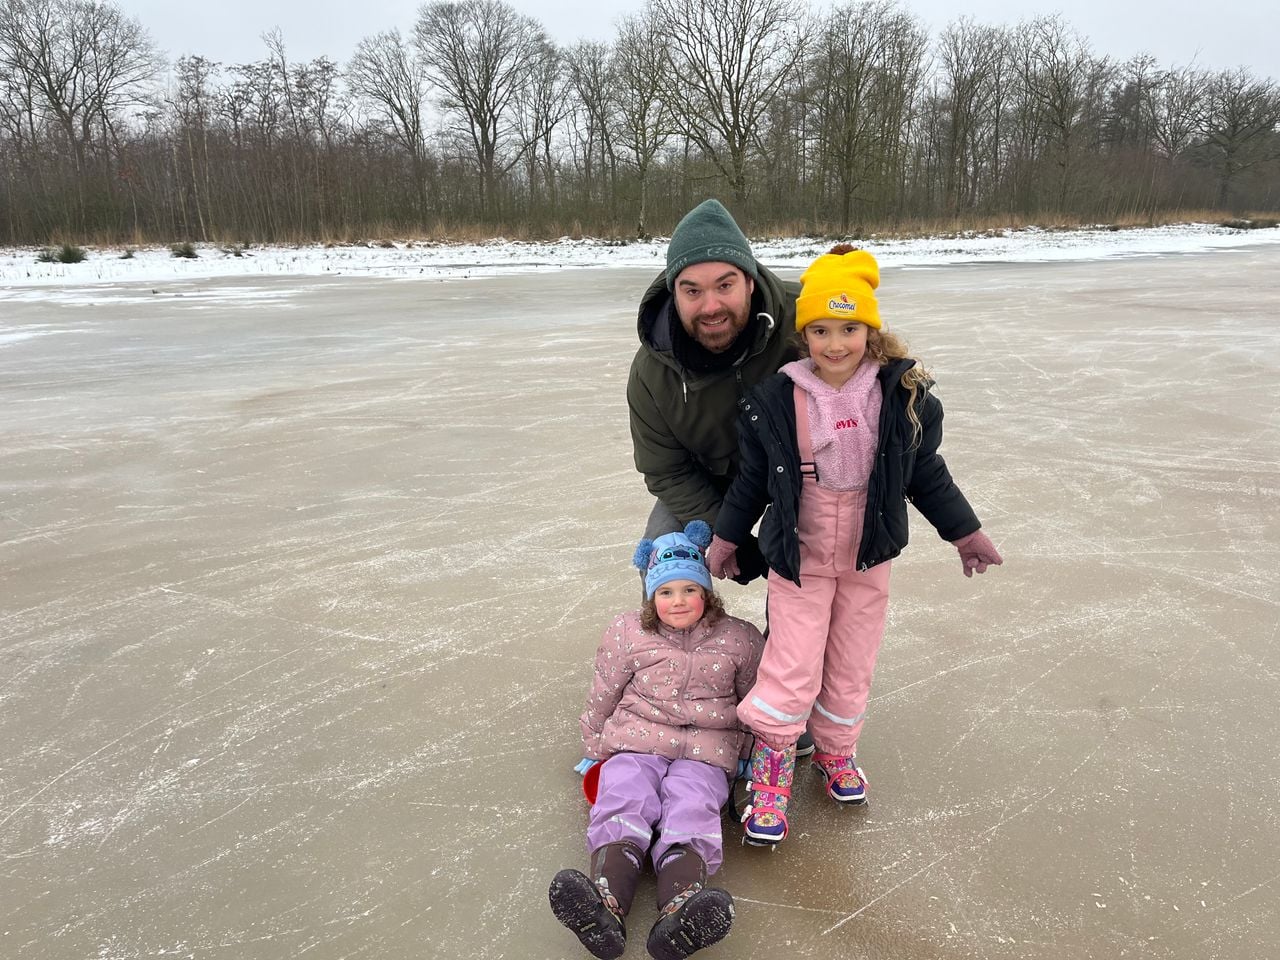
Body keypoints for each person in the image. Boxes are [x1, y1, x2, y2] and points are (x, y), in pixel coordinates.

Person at [705, 245, 1003, 847]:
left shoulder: (902, 396)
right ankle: (772, 769)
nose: (834, 343)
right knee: (791, 662)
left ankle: (836, 751)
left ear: (871, 331)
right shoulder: (776, 401)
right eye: (819, 329)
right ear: (804, 334)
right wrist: (727, 537)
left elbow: (927, 474)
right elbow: (752, 483)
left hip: (869, 556)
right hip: (800, 556)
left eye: (848, 328)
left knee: (852, 658)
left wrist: (964, 532)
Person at [548, 522, 765, 960]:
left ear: (708, 592)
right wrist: (595, 749)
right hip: (637, 739)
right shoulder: (629, 632)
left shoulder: (740, 637)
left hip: (707, 748)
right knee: (624, 791)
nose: (678, 600)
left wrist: (747, 757)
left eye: (690, 589)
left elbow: (752, 699)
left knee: (692, 802)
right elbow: (604, 689)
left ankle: (680, 909)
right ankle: (605, 904)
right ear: (651, 596)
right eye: (666, 592)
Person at [627, 198, 800, 585]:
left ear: (750, 281)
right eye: (692, 291)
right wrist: (727, 531)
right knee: (662, 553)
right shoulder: (653, 373)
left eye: (725, 285)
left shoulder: (806, 317)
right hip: (711, 480)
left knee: (804, 569)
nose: (711, 306)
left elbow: (869, 361)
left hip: (800, 475)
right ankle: (665, 646)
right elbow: (665, 469)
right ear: (674, 293)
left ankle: (793, 644)